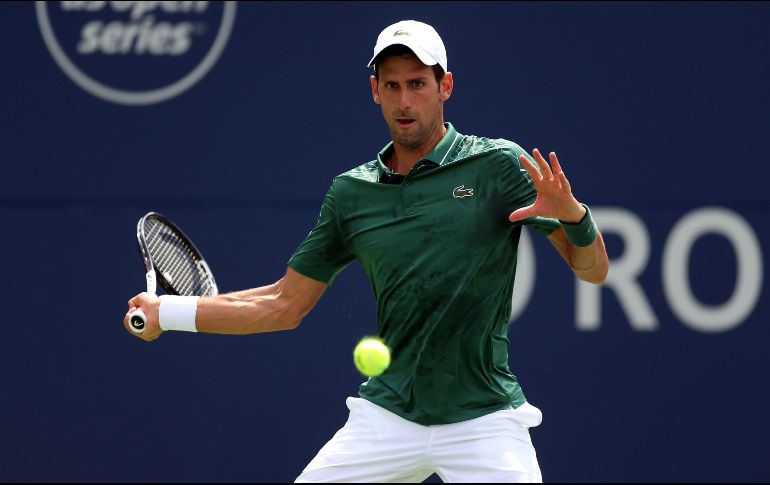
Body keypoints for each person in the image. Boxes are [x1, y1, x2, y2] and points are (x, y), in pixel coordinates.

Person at [124, 19, 609, 483]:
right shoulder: (351, 194)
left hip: (485, 421)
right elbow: (283, 303)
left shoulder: (498, 166)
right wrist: (167, 312)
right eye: (392, 85)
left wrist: (574, 217)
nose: (405, 100)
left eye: (418, 84)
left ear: (446, 87)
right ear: (375, 90)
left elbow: (593, 271)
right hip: (388, 417)